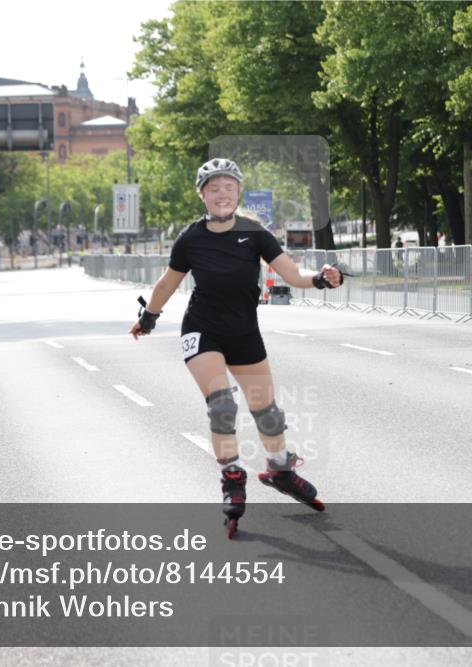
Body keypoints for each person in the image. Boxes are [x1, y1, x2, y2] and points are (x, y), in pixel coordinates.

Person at [129, 158, 346, 538]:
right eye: (214, 188)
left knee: (268, 414)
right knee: (223, 406)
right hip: (202, 330)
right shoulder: (191, 238)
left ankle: (280, 469)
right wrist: (149, 317)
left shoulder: (256, 234)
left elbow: (293, 275)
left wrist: (322, 280)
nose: (222, 194)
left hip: (244, 333)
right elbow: (167, 283)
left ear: (238, 192)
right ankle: (231, 475)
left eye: (228, 187)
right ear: (202, 195)